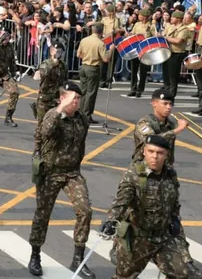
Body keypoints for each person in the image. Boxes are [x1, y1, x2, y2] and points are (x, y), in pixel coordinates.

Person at [124, 88, 202, 279]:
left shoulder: (170, 122)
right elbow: (152, 141)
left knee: (173, 219)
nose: (168, 107)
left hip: (165, 177)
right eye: (165, 104)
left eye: (171, 104)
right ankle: (119, 249)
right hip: (143, 178)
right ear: (154, 103)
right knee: (132, 217)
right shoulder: (145, 123)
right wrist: (178, 130)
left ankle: (187, 264)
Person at [28, 82, 94, 278]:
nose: (77, 102)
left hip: (72, 173)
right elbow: (45, 132)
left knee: (85, 211)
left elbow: (81, 142)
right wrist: (59, 109)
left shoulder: (81, 118)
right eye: (73, 98)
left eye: (79, 99)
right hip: (51, 172)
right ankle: (35, 255)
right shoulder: (52, 115)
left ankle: (78, 259)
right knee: (43, 214)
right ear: (63, 98)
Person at [101, 135, 189, 279]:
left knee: (181, 274)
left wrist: (174, 219)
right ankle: (117, 249)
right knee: (124, 276)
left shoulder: (170, 174)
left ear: (167, 155)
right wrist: (111, 220)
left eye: (160, 153)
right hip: (138, 240)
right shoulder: (133, 175)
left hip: (163, 238)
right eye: (151, 151)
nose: (155, 156)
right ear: (144, 152)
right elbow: (121, 202)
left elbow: (174, 200)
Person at [77, 22, 114, 124]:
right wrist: (111, 50)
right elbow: (106, 58)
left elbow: (78, 54)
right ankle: (87, 115)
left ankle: (80, 113)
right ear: (101, 32)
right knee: (91, 93)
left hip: (84, 66)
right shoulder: (100, 43)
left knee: (83, 91)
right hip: (93, 68)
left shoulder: (84, 40)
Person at [32, 41, 67, 140]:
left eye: (61, 51)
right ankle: (37, 149)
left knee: (56, 125)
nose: (59, 53)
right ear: (52, 51)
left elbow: (64, 81)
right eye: (57, 50)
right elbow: (42, 75)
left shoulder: (63, 66)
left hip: (57, 100)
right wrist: (54, 62)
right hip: (45, 100)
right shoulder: (46, 64)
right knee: (41, 126)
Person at [126, 8, 155, 98]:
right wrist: (129, 35)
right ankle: (133, 89)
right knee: (133, 70)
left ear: (145, 16)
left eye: (141, 15)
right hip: (135, 49)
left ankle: (140, 90)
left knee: (143, 71)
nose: (139, 16)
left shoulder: (151, 26)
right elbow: (133, 33)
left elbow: (154, 38)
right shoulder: (137, 24)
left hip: (145, 50)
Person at [162, 11, 190, 98]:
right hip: (167, 52)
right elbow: (163, 34)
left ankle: (171, 96)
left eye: (173, 17)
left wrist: (166, 38)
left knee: (173, 77)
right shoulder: (170, 27)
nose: (171, 19)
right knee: (166, 75)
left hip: (176, 54)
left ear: (178, 19)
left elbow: (178, 41)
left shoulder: (184, 29)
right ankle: (166, 94)